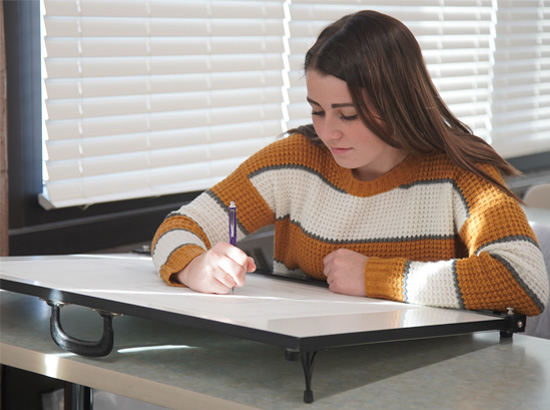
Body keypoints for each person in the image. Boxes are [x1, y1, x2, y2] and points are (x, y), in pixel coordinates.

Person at [152, 10, 548, 316]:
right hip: (303, 367)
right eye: (317, 111)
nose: (328, 132)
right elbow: (179, 227)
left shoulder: (457, 173)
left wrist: (376, 276)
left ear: (398, 103)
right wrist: (194, 267)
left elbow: (524, 279)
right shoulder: (294, 159)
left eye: (348, 114)